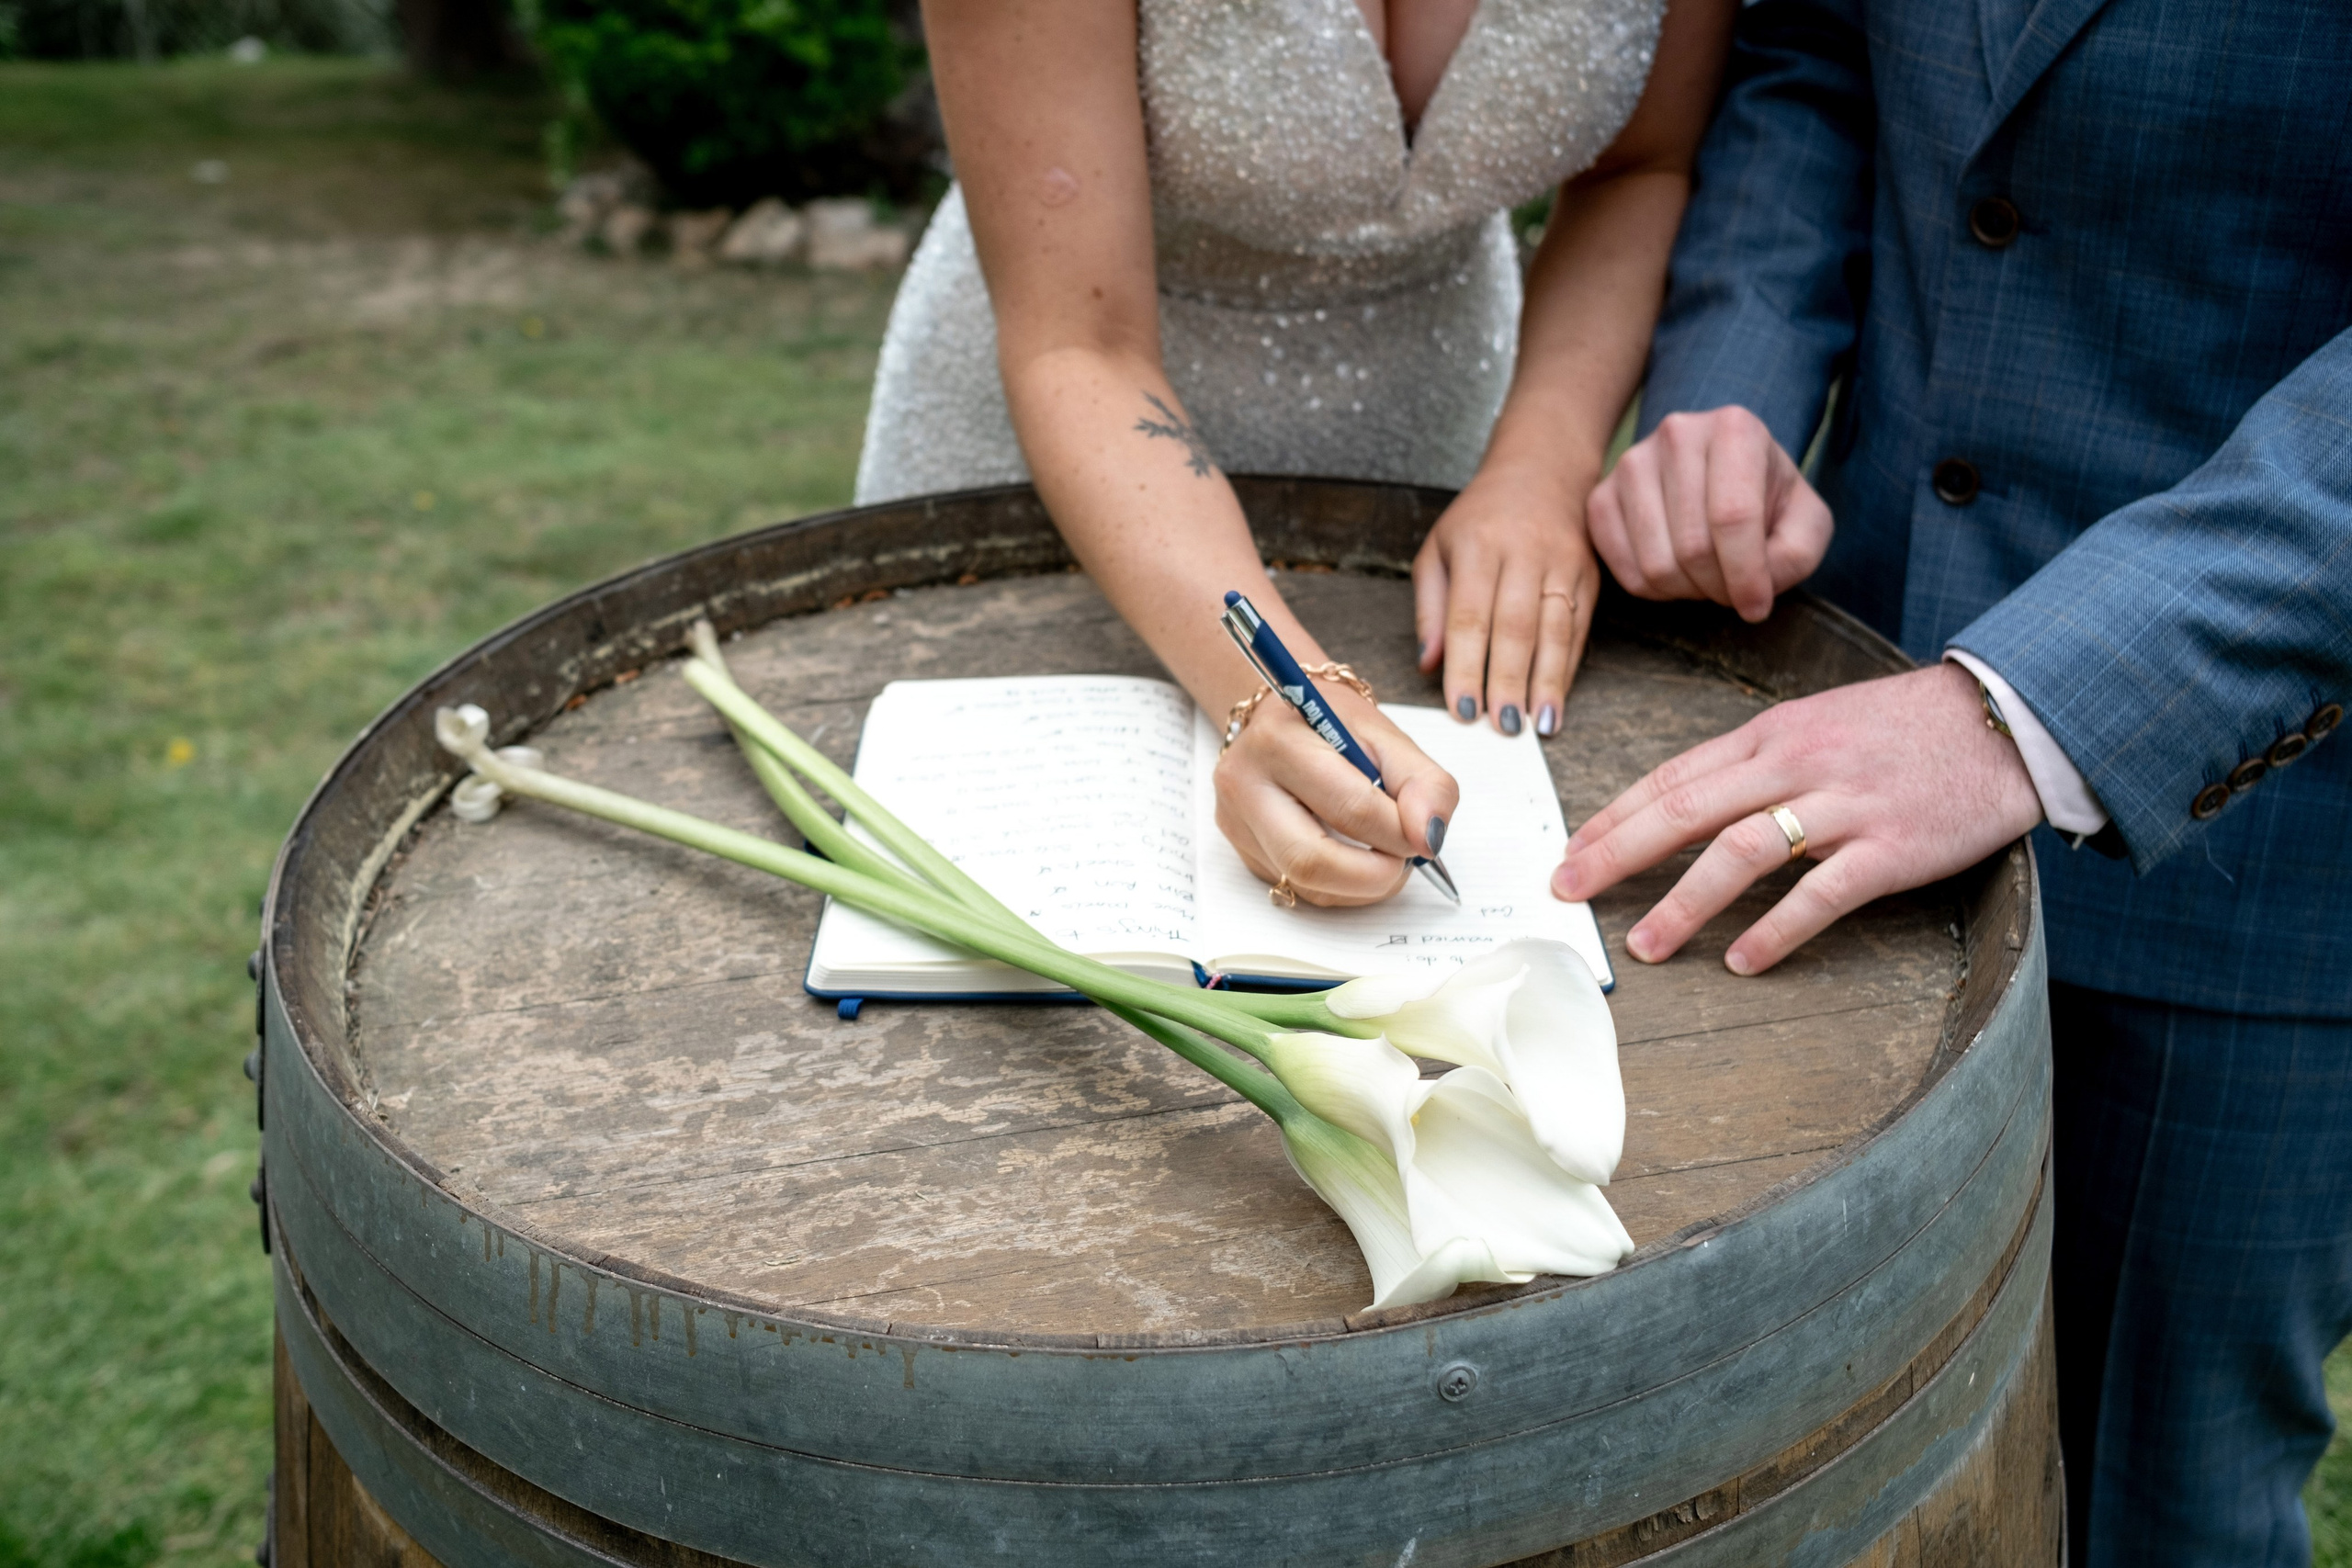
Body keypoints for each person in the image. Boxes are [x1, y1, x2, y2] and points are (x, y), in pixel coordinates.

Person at [1553, 2, 2352, 1562]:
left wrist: (2023, 708)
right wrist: (1732, 390)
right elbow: (1809, 58)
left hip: (2258, 846)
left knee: (2146, 1498)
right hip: (1829, 692)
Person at [857, 0, 1736, 908]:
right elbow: (1079, 341)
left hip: (1438, 461)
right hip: (1071, 450)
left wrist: (1541, 464)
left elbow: (1646, 163)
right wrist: (1273, 682)